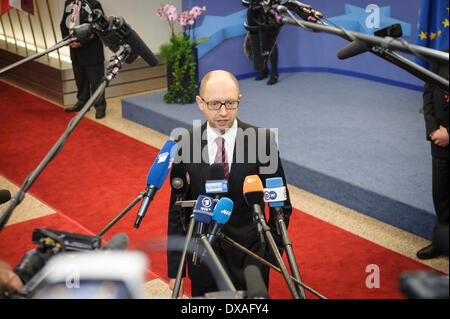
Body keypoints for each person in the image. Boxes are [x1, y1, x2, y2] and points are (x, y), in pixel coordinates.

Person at [166, 70, 292, 297]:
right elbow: (178, 212)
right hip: (202, 263)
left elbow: (280, 207)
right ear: (200, 103)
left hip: (251, 263)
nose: (223, 112)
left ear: (239, 100)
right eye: (214, 104)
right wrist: (176, 269)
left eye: (231, 103)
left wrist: (269, 259)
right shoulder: (185, 144)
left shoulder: (262, 141)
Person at [417, 48, 449, 260]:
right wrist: (434, 130)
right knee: (441, 196)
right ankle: (442, 241)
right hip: (439, 141)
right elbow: (428, 93)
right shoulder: (442, 56)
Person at [60, 0, 107, 119]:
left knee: (96, 82)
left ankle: (100, 107)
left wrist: (81, 42)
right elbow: (64, 24)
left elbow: (98, 28)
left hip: (91, 50)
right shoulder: (69, 3)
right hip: (75, 50)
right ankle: (82, 103)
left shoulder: (93, 4)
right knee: (80, 80)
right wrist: (68, 40)